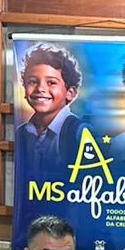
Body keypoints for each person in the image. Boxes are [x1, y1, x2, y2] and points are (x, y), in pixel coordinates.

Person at [14, 43, 91, 176]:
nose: (40, 89)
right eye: (33, 82)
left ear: (70, 93)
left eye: (51, 83)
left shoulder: (80, 133)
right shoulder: (20, 133)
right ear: (25, 89)